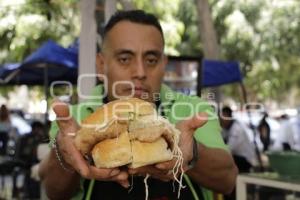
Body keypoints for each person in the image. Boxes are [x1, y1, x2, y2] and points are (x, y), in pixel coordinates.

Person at [39, 10, 237, 200]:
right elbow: (54, 192)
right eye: (125, 59)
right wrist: (63, 157)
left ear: (163, 64)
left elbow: (228, 180)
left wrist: (193, 152)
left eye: (151, 60)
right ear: (101, 64)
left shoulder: (192, 110)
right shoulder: (75, 118)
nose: (140, 72)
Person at [219, 106, 256, 172]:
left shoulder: (236, 129)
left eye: (223, 118)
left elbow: (228, 149)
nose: (221, 120)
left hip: (245, 160)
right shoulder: (226, 129)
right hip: (237, 157)